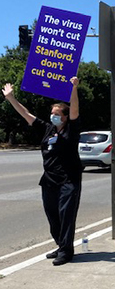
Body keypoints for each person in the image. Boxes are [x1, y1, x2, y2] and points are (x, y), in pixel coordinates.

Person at [2, 78, 82, 266]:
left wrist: (74, 88)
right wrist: (11, 98)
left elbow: (75, 110)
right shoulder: (47, 129)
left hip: (68, 181)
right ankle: (60, 245)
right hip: (49, 181)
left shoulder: (71, 130)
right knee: (53, 217)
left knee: (66, 216)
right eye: (51, 113)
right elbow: (26, 113)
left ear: (64, 117)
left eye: (56, 114)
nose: (52, 116)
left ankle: (66, 251)